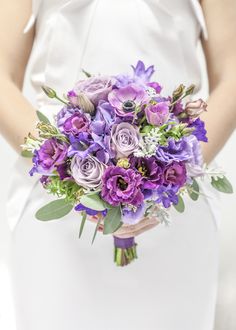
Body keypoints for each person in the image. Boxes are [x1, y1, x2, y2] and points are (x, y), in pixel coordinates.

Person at [0, 0, 235, 329]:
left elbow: (232, 72)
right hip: (56, 201)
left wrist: (173, 173)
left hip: (175, 201)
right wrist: (70, 169)